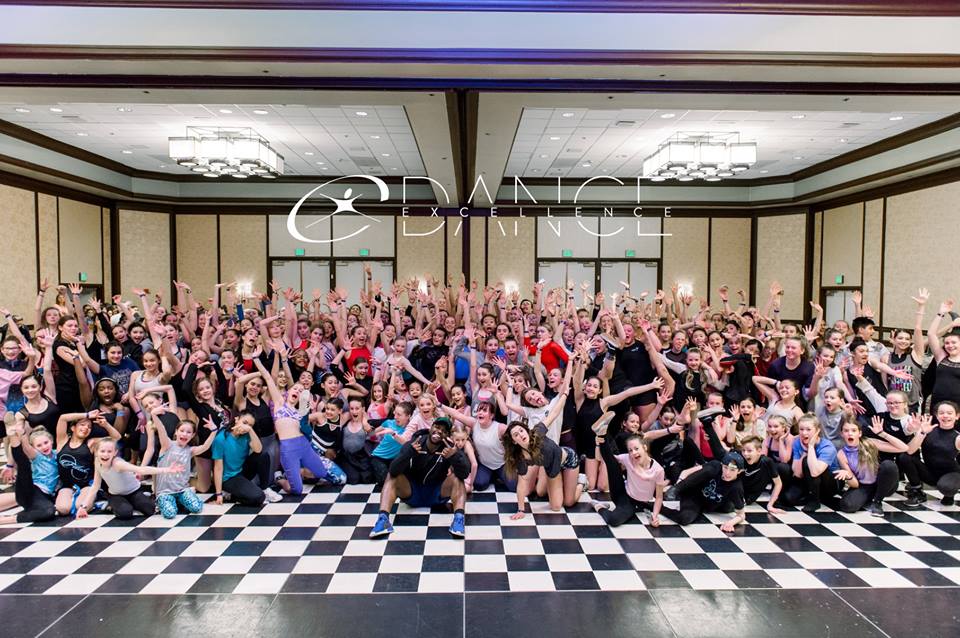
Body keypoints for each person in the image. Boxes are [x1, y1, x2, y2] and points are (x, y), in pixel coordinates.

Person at [370, 417, 470, 538]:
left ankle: (459, 520)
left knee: (457, 478)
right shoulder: (415, 442)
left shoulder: (450, 447)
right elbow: (393, 469)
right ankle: (383, 520)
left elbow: (464, 474)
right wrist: (409, 453)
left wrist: (454, 457)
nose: (439, 431)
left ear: (447, 435)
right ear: (431, 428)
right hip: (412, 492)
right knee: (392, 476)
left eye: (444, 430)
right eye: (437, 427)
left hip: (436, 493)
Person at [81, 437, 181, 519]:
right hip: (116, 494)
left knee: (150, 510)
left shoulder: (118, 464)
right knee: (125, 513)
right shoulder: (97, 462)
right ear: (96, 452)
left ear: (115, 453)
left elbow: (141, 470)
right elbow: (95, 485)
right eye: (102, 451)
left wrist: (167, 469)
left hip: (133, 491)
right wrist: (84, 506)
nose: (105, 454)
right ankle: (112, 505)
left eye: (109, 451)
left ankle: (136, 501)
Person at [502, 420, 585, 519]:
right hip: (552, 467)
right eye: (516, 435)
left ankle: (582, 482)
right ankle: (566, 481)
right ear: (514, 441)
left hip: (568, 460)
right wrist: (521, 510)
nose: (520, 434)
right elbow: (521, 483)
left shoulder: (537, 433)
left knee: (568, 502)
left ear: (526, 430)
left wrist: (562, 403)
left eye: (521, 430)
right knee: (549, 499)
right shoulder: (521, 457)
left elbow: (553, 414)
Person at [658, 451, 747, 533]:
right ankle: (673, 491)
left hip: (714, 506)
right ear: (722, 465)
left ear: (739, 471)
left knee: (684, 519)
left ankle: (667, 496)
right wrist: (678, 485)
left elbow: (741, 515)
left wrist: (730, 523)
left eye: (732, 470)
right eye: (725, 467)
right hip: (697, 495)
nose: (727, 473)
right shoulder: (716, 466)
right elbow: (687, 472)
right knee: (710, 469)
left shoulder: (736, 487)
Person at [148, 415, 218, 518]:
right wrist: (154, 415)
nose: (185, 434)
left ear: (193, 435)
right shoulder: (167, 445)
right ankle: (167, 502)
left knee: (197, 508)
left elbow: (205, 447)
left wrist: (214, 431)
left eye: (189, 432)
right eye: (182, 430)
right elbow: (161, 429)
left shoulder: (190, 451)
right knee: (170, 514)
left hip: (182, 490)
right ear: (176, 432)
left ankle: (181, 499)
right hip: (164, 492)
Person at [833, 417, 905, 516]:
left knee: (889, 465)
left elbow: (903, 448)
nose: (850, 433)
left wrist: (882, 434)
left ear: (860, 433)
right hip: (863, 485)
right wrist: (848, 475)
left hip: (883, 482)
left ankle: (877, 502)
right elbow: (855, 484)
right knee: (847, 505)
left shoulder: (870, 442)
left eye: (853, 430)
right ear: (842, 434)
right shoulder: (841, 454)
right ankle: (869, 497)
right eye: (846, 431)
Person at [592, 432, 665, 527]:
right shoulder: (628, 458)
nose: (633, 453)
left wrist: (655, 516)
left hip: (639, 502)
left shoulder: (658, 470)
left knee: (614, 520)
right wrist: (598, 445)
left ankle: (603, 435)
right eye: (630, 450)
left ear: (645, 448)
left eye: (636, 448)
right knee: (613, 521)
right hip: (622, 495)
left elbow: (659, 497)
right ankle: (603, 435)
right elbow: (602, 458)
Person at [212, 412, 279, 506]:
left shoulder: (247, 434)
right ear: (236, 419)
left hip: (241, 470)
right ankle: (230, 495)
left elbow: (258, 449)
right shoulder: (221, 439)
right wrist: (218, 494)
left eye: (250, 425)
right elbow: (218, 468)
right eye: (244, 422)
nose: (246, 427)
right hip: (228, 478)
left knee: (263, 455)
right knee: (258, 497)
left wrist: (250, 431)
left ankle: (265, 488)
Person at [900, 402, 960, 507]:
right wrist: (922, 433)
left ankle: (949, 494)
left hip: (951, 474)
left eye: (949, 413)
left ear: (957, 416)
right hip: (929, 473)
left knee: (946, 487)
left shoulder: (957, 436)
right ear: (937, 415)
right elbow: (910, 451)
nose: (945, 416)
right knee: (904, 457)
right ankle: (917, 492)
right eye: (941, 413)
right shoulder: (927, 430)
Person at [783, 414, 840, 512]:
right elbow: (797, 473)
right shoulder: (797, 443)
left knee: (808, 462)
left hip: (831, 482)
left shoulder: (827, 447)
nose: (804, 433)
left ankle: (815, 501)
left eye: (808, 430)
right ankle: (812, 495)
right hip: (808, 480)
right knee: (788, 499)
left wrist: (810, 447)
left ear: (817, 431)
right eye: (801, 429)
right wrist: (804, 451)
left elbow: (815, 472)